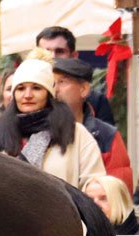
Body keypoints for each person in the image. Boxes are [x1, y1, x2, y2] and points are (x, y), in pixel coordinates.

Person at [0, 57, 104, 188]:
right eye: (21, 89)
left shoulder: (75, 133)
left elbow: (95, 183)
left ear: (49, 94)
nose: (27, 95)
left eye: (36, 88)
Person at [52, 57, 133, 190]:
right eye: (51, 83)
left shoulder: (106, 136)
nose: (55, 90)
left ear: (84, 89)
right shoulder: (38, 131)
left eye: (62, 82)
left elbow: (118, 194)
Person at [35, 25, 114, 125]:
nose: (53, 57)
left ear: (74, 56)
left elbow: (106, 133)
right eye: (46, 52)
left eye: (60, 51)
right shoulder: (26, 94)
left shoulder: (95, 100)